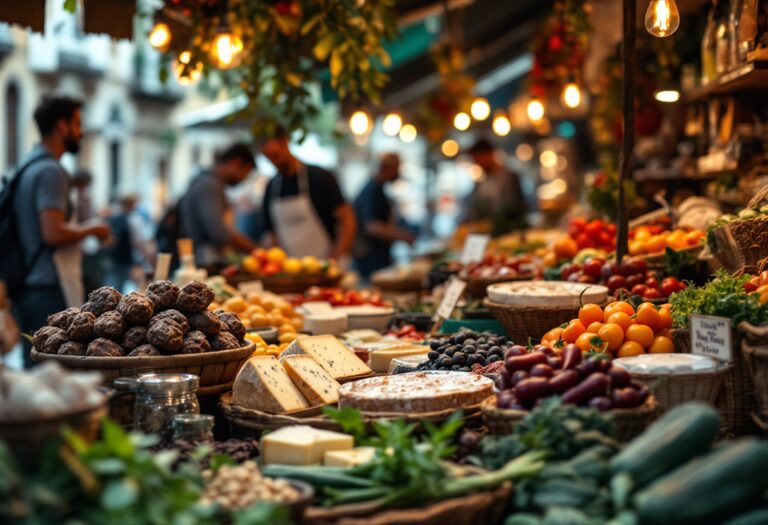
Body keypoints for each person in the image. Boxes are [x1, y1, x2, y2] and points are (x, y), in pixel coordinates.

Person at [13, 95, 111, 366]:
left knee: (37, 365)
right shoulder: (51, 171)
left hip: (29, 283)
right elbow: (52, 232)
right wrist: (92, 229)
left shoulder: (27, 166)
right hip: (47, 284)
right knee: (53, 369)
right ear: (62, 126)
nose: (81, 131)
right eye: (77, 124)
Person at [261, 127, 356, 260]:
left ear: (285, 142)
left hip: (324, 264)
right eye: (268, 158)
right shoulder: (271, 187)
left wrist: (336, 256)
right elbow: (271, 235)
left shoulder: (320, 177)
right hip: (289, 270)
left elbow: (347, 219)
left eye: (275, 155)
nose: (274, 162)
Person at [178, 143, 258, 266]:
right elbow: (217, 230)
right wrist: (254, 250)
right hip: (204, 261)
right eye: (246, 173)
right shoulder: (210, 185)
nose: (243, 179)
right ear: (237, 163)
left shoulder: (206, 181)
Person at [353, 153, 416, 279]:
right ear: (389, 168)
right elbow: (371, 227)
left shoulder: (378, 188)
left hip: (378, 256)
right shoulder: (372, 190)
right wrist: (401, 236)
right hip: (370, 258)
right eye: (397, 168)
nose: (398, 172)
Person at [464, 138, 528, 235]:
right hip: (489, 236)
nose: (477, 163)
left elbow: (520, 208)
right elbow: (474, 209)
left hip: (510, 234)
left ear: (489, 154)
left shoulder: (510, 177)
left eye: (477, 159)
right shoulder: (480, 182)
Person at [104, 194, 142, 291]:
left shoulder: (112, 217)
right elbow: (137, 242)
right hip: (125, 258)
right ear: (131, 205)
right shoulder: (131, 219)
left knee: (112, 287)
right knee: (126, 286)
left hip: (112, 257)